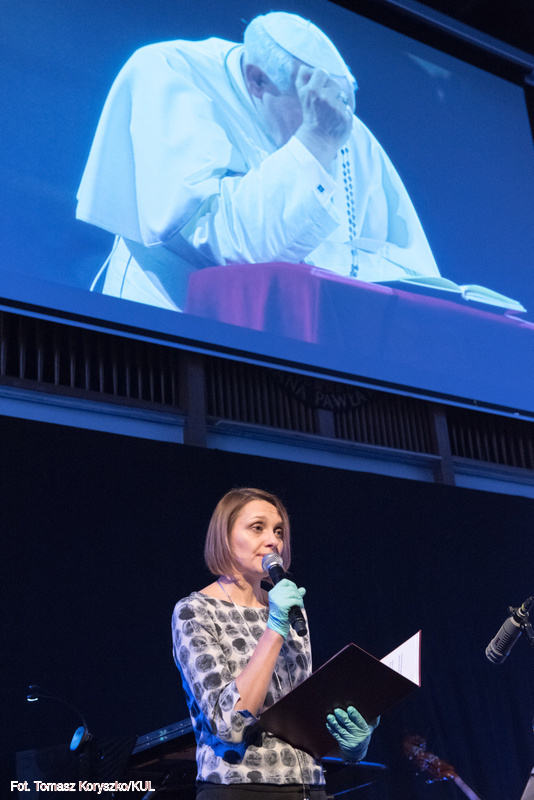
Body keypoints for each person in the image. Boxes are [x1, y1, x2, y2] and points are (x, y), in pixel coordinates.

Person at [76, 12, 439, 313]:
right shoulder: (172, 71)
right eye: (312, 101)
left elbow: (409, 274)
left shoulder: (343, 126)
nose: (331, 116)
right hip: (163, 336)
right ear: (258, 80)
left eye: (338, 101)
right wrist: (314, 141)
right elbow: (222, 243)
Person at [171, 487, 378, 798]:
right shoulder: (195, 611)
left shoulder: (290, 607)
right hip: (241, 788)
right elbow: (230, 726)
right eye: (258, 528)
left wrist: (351, 745)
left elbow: (299, 717)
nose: (273, 541)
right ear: (225, 537)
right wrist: (275, 627)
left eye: (278, 531)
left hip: (311, 788)